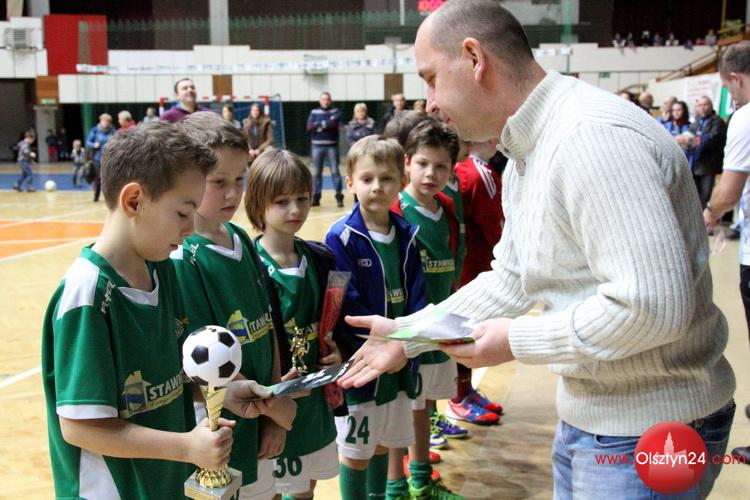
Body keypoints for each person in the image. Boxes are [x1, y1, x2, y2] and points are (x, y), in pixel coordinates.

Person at [340, 2, 736, 497]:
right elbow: (511, 279)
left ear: (474, 58)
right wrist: (409, 333)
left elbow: (653, 307)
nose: (431, 103)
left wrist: (516, 340)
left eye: (432, 79)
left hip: (650, 428)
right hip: (594, 418)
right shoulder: (530, 149)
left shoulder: (590, 138)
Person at [40, 121, 254, 499]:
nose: (190, 228)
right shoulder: (88, 295)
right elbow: (80, 427)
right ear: (134, 201)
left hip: (164, 484)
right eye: (183, 213)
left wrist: (227, 390)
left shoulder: (162, 269)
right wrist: (185, 447)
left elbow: (165, 383)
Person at [172, 112, 298, 499]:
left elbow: (266, 325)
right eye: (219, 182)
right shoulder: (183, 257)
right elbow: (199, 363)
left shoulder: (242, 237)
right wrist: (266, 406)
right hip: (220, 425)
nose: (232, 193)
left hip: (262, 411)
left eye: (239, 180)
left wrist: (275, 409)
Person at [325, 134, 425, 500]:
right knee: (356, 452)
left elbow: (418, 296)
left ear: (401, 182)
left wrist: (409, 345)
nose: (377, 187)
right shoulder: (340, 238)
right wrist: (372, 347)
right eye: (367, 179)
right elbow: (342, 304)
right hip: (361, 366)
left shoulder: (407, 235)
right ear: (350, 183)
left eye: (386, 179)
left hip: (398, 363)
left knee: (384, 442)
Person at [246, 148, 342, 499]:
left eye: (302, 199)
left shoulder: (320, 258)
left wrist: (338, 354)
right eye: (282, 201)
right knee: (271, 489)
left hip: (313, 401)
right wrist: (271, 414)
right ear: (258, 203)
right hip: (271, 404)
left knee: (305, 489)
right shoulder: (249, 268)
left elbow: (333, 325)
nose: (295, 210)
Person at [390, 120, 465, 499]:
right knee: (404, 408)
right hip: (407, 329)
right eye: (422, 163)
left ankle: (420, 479)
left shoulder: (448, 209)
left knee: (427, 403)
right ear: (407, 162)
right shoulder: (395, 211)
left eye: (441, 166)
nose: (431, 174)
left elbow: (456, 260)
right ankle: (400, 485)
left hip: (441, 324)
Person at [703, 40, 750, 465]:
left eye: (728, 88)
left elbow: (728, 191)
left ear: (735, 78)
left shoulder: (745, 117)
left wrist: (708, 214)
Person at [445, 139, 505, 426]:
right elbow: (495, 224)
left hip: (470, 264)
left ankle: (465, 390)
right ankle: (459, 397)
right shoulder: (477, 172)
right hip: (474, 265)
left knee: (466, 329)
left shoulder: (468, 170)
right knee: (464, 329)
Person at [678, 96, 726, 208]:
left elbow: (712, 138)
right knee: (693, 196)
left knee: (705, 196)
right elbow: (689, 134)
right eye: (700, 105)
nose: (703, 107)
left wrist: (693, 140)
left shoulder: (717, 121)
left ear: (711, 106)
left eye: (705, 105)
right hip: (694, 164)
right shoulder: (696, 122)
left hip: (708, 165)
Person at [306, 92, 343, 207]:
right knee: (316, 172)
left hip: (332, 146)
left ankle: (339, 197)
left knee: (335, 171)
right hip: (316, 146)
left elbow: (336, 124)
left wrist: (318, 125)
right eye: (323, 99)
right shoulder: (314, 112)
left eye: (327, 99)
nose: (325, 102)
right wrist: (327, 123)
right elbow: (309, 126)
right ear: (320, 101)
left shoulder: (336, 112)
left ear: (330, 100)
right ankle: (316, 197)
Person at [85, 113, 116, 202]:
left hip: (109, 157)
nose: (105, 123)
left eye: (107, 121)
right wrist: (93, 144)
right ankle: (96, 196)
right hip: (97, 158)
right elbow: (88, 141)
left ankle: (110, 197)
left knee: (109, 177)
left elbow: (118, 141)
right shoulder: (95, 130)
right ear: (100, 121)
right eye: (103, 121)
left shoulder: (113, 131)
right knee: (98, 177)